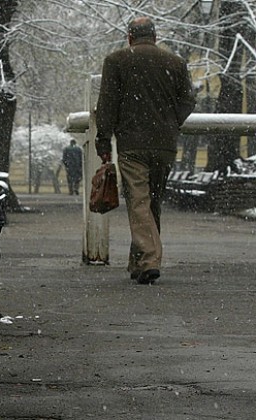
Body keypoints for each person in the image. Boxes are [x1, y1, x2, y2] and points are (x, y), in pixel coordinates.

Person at [95, 16, 196, 285]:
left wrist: (103, 141)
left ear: (130, 36)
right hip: (164, 144)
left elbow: (107, 104)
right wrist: (171, 122)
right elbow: (188, 99)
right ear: (155, 36)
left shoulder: (116, 61)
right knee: (152, 202)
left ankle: (150, 258)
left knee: (138, 202)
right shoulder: (175, 62)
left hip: (132, 144)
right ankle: (139, 265)